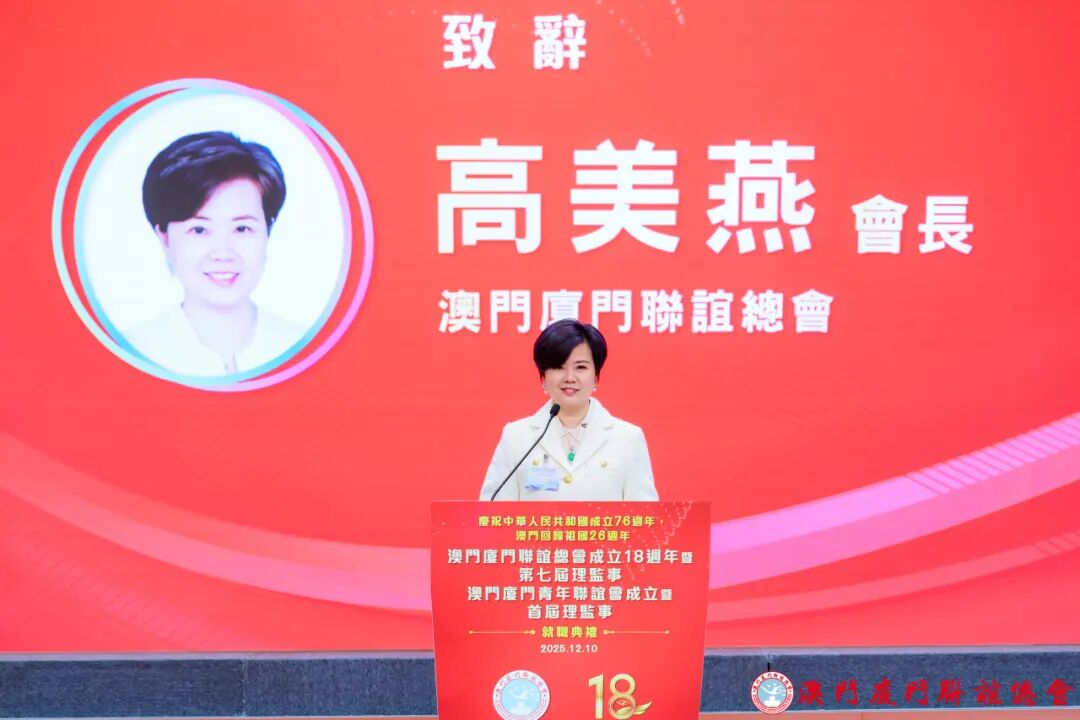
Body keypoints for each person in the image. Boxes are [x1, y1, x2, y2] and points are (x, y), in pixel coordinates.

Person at [124, 131, 301, 377]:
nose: (223, 253)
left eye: (242, 229)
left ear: (267, 231)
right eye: (199, 230)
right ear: (164, 237)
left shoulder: (303, 348)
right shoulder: (130, 355)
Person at [480, 319, 659, 501]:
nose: (569, 378)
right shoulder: (516, 437)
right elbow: (492, 511)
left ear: (596, 376)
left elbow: (645, 514)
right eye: (558, 367)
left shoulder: (628, 438)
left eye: (581, 367)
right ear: (543, 377)